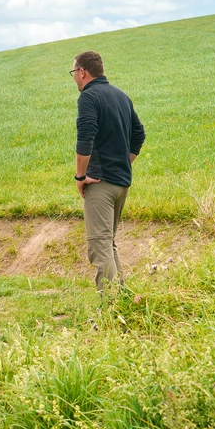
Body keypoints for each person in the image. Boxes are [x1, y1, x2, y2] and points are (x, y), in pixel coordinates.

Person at [71, 50, 146, 296]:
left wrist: (80, 177)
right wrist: (124, 162)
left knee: (99, 246)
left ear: (82, 72)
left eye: (73, 72)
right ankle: (122, 299)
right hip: (121, 182)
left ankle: (112, 307)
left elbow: (86, 136)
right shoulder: (121, 96)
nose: (73, 77)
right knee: (108, 243)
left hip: (100, 183)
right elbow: (139, 134)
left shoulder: (89, 97)